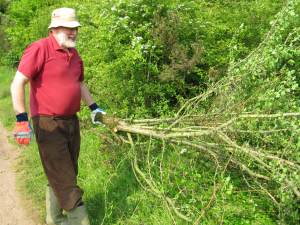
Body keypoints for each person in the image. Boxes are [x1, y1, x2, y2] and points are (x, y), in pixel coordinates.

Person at [10, 7, 105, 225]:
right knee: (66, 178)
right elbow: (18, 83)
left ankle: (53, 218)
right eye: (67, 28)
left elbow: (79, 83)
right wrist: (21, 120)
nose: (73, 32)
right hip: (47, 122)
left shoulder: (74, 54)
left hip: (71, 122)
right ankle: (80, 220)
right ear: (54, 29)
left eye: (75, 28)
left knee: (67, 170)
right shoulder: (40, 48)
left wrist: (94, 108)